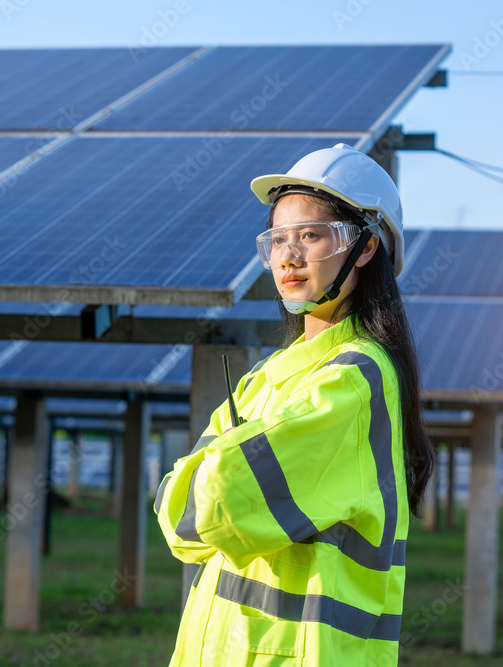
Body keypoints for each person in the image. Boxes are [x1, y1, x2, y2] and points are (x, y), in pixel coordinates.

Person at [154, 143, 434, 666]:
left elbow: (215, 506)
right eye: (277, 238)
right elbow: (175, 518)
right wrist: (216, 478)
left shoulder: (354, 379)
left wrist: (211, 473)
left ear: (366, 247)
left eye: (311, 235)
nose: (288, 256)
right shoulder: (265, 377)